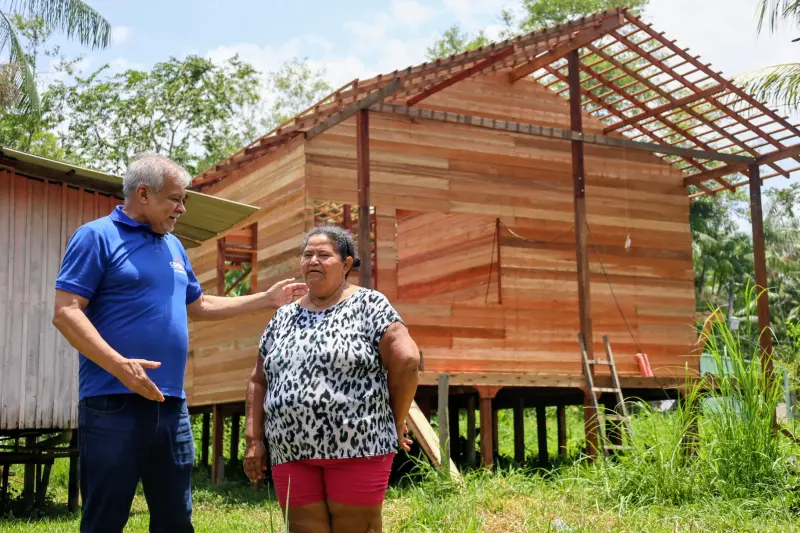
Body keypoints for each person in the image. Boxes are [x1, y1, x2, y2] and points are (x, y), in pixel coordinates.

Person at [52, 152, 307, 533]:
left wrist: (265, 299)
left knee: (175, 519)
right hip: (112, 401)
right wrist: (120, 366)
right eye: (175, 198)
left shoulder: (173, 247)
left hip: (171, 405)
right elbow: (66, 311)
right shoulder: (96, 237)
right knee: (104, 519)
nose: (182, 208)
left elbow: (199, 305)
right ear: (143, 193)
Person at [243, 225, 420, 533]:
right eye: (307, 254)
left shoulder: (369, 305)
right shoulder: (283, 316)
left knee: (357, 528)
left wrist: (396, 416)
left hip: (358, 447)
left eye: (324, 255)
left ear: (347, 264)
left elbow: (407, 359)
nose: (313, 260)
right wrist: (253, 439)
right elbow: (259, 379)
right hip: (291, 448)